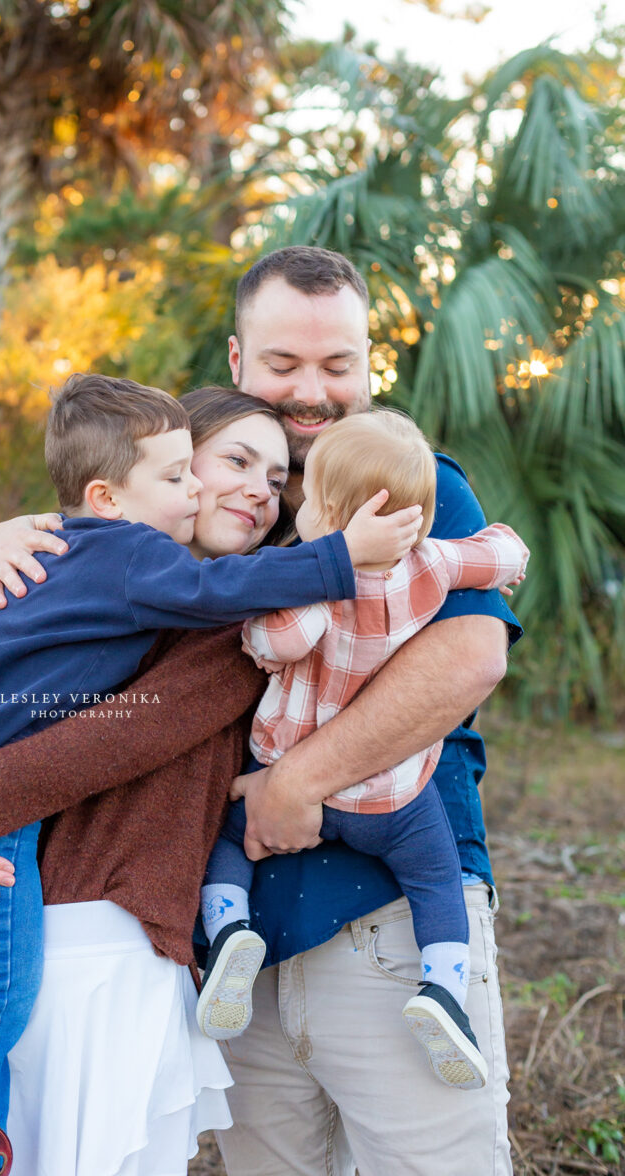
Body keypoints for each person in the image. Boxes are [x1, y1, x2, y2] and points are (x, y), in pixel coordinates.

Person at [0, 247, 520, 1176]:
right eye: (283, 367)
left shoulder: (394, 490)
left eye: (338, 366)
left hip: (376, 910)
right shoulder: (140, 561)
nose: (310, 394)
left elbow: (469, 653)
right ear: (231, 373)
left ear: (369, 367)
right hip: (204, 932)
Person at [0, 370, 414, 1173]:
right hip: (28, 921)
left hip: (85, 932)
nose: (257, 491)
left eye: (277, 480)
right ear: (168, 472)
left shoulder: (232, 637)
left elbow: (109, 738)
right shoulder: (80, 563)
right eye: (231, 463)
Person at [196, 410, 529, 1100]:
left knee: (233, 833)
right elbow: (501, 553)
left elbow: (273, 644)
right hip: (390, 796)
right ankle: (442, 987)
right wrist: (509, 557)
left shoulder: (316, 585)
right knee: (437, 875)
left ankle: (229, 931)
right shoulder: (432, 563)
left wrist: (314, 558)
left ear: (338, 515)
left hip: (285, 765)